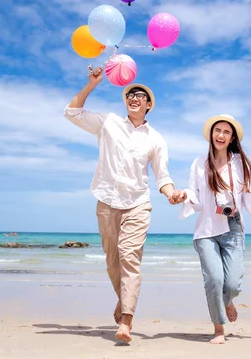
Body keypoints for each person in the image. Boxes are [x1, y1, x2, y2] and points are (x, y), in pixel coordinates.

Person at [63, 67, 184, 342]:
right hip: (106, 200)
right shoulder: (108, 122)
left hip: (138, 203)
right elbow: (71, 113)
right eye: (130, 93)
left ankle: (126, 320)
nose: (134, 97)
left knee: (130, 257)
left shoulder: (156, 139)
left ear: (149, 105)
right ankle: (123, 299)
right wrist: (92, 84)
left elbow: (162, 176)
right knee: (112, 262)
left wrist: (171, 193)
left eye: (140, 95)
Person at [177, 114, 251, 344]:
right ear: (211, 135)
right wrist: (184, 195)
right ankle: (218, 328)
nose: (221, 135)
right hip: (206, 229)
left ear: (232, 137)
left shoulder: (239, 163)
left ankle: (226, 300)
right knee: (214, 279)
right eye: (217, 131)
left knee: (232, 283)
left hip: (233, 226)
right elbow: (195, 197)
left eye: (226, 132)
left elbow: (249, 198)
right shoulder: (199, 163)